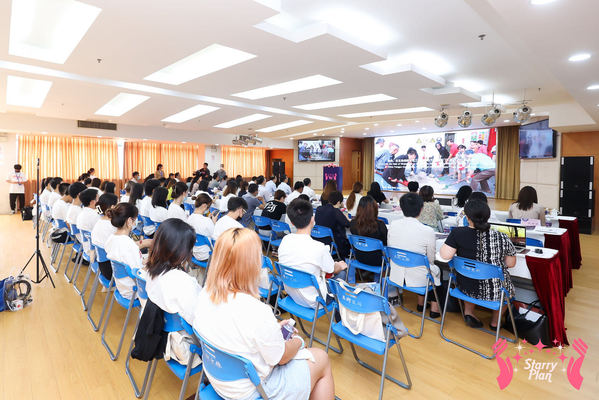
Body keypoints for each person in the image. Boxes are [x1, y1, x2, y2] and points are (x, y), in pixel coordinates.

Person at [193, 228, 335, 400]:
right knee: (321, 358)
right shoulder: (256, 311)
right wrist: (298, 341)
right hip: (252, 391)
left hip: (219, 381)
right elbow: (281, 358)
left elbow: (236, 332)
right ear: (251, 265)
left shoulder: (204, 294)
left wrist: (273, 330)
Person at [440, 200, 516, 329]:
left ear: (467, 217)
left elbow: (445, 255)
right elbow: (510, 263)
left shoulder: (457, 233)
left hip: (465, 285)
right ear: (488, 216)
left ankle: (468, 313)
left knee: (470, 275)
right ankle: (495, 322)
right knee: (506, 292)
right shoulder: (501, 236)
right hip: (494, 291)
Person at [279, 198, 348, 308]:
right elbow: (332, 270)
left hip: (292, 294)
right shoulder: (319, 247)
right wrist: (340, 265)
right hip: (316, 300)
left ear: (292, 222)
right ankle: (339, 312)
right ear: (313, 219)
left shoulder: (285, 240)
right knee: (342, 272)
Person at [388, 193, 441, 316]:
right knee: (435, 270)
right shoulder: (428, 231)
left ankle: (421, 304)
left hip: (396, 274)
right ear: (421, 209)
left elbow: (391, 249)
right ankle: (434, 310)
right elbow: (431, 260)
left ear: (401, 208)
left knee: (425, 268)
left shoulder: (393, 225)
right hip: (418, 278)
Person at [145, 219, 202, 324]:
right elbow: (197, 320)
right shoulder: (184, 283)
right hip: (180, 331)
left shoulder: (151, 269)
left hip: (158, 326)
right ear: (182, 251)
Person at [105, 203, 153, 300]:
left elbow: (127, 262)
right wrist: (151, 261)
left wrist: (145, 261)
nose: (136, 222)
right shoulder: (129, 245)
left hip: (122, 286)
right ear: (130, 221)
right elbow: (138, 274)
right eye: (136, 219)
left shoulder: (110, 239)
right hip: (135, 290)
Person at [349, 196, 388, 271]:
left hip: (359, 257)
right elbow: (385, 243)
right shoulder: (380, 225)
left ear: (359, 208)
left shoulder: (353, 223)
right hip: (378, 260)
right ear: (374, 209)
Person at [314, 191, 351, 259]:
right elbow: (347, 224)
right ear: (338, 202)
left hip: (317, 240)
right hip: (331, 243)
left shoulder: (319, 209)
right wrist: (347, 218)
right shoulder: (336, 211)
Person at [91, 193, 118, 280]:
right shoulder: (112, 226)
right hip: (113, 271)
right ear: (113, 207)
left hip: (103, 266)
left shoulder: (99, 221)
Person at [187, 194, 218, 262]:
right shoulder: (207, 221)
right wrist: (213, 222)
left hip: (193, 252)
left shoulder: (189, 218)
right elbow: (215, 237)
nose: (208, 209)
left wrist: (208, 220)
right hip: (206, 255)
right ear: (204, 205)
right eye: (208, 207)